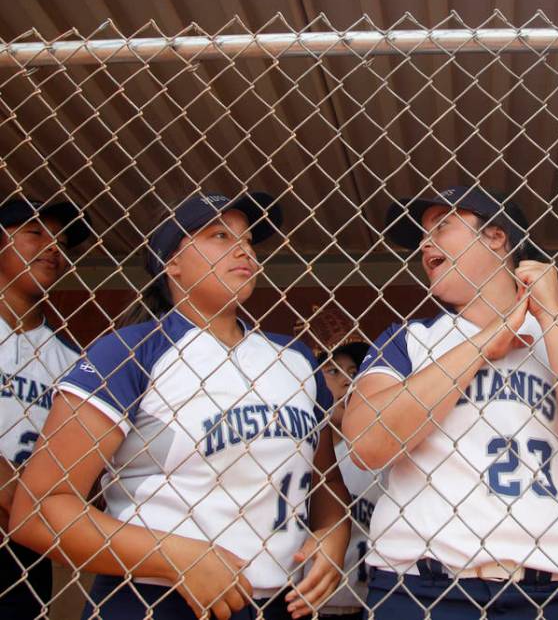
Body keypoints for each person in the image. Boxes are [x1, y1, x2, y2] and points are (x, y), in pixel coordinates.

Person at [10, 192, 351, 620]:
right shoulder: (131, 352)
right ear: (171, 263)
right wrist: (174, 556)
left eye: (247, 240)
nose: (243, 249)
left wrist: (334, 534)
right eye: (219, 235)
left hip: (284, 602)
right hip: (156, 598)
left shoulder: (295, 359)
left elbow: (326, 481)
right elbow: (39, 509)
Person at [343, 186, 558, 619]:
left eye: (441, 227)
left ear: (496, 236)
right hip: (420, 585)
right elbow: (367, 443)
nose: (426, 244)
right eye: (423, 236)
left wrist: (550, 314)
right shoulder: (408, 339)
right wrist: (485, 343)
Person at [0, 196, 90, 619]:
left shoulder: (72, 363)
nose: (53, 247)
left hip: (26, 543)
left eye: (60, 240)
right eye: (35, 233)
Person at [295, 306, 378, 620]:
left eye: (353, 370)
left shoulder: (375, 454)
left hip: (365, 604)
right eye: (331, 370)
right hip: (300, 604)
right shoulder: (292, 455)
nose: (347, 382)